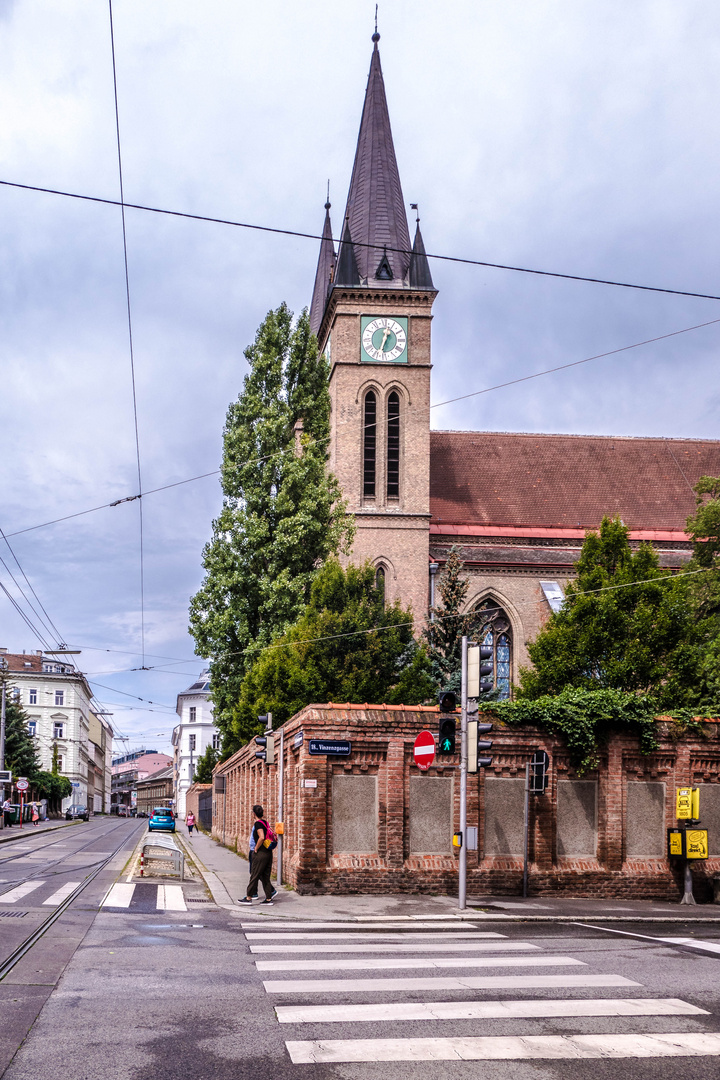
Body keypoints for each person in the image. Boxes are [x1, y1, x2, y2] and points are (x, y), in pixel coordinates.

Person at [238, 804, 277, 906]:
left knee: (254, 875)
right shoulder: (265, 822)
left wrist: (256, 848)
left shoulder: (258, 824)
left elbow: (262, 837)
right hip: (268, 853)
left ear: (254, 814)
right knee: (265, 876)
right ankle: (268, 898)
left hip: (260, 854)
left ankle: (249, 897)